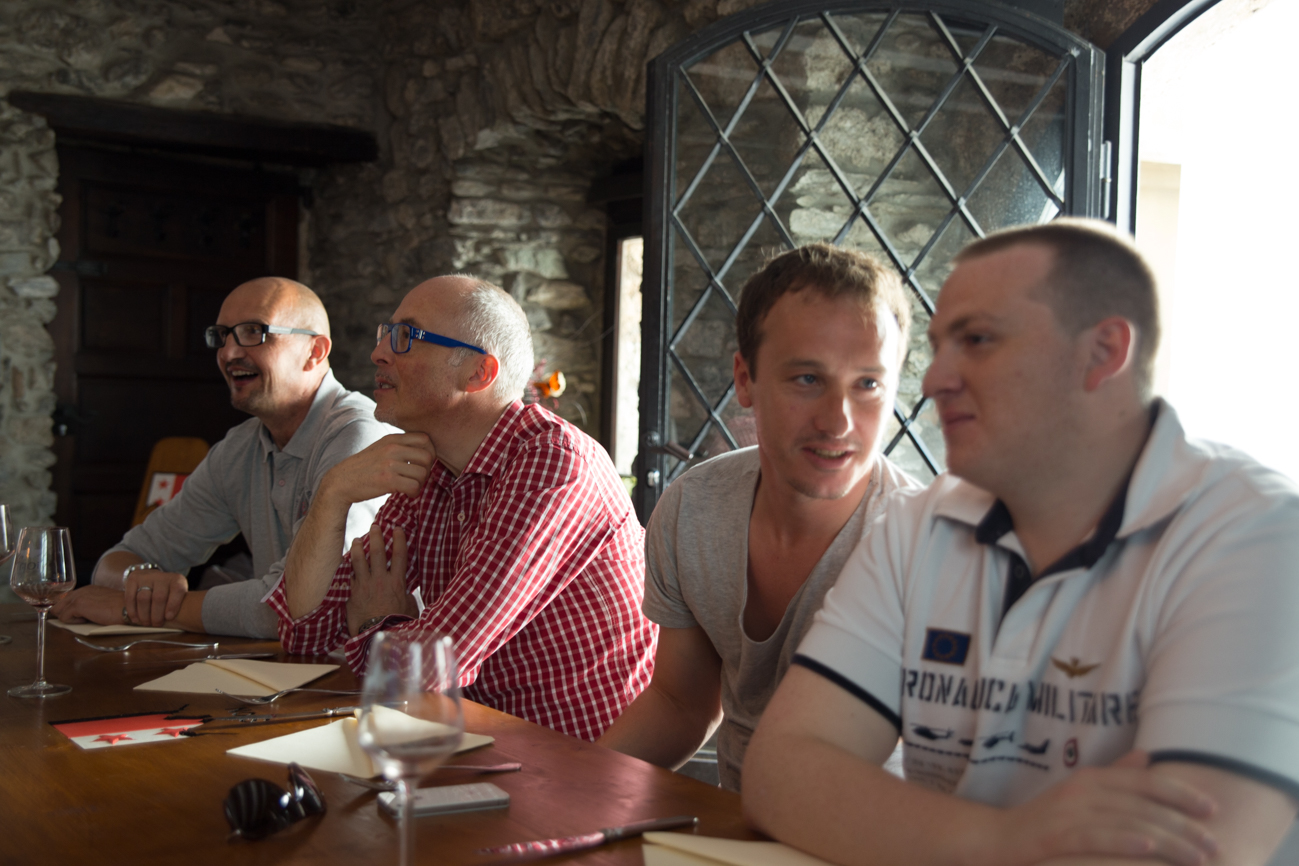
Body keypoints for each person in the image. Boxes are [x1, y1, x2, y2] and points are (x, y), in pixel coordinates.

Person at [744, 219, 1299, 866]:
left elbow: (1189, 852)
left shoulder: (1256, 536)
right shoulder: (916, 525)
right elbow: (778, 775)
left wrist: (911, 832)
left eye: (977, 340)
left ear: (1101, 353)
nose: (932, 381)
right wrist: (1004, 838)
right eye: (939, 347)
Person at [269, 275, 656, 741]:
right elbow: (305, 635)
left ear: (478, 373)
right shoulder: (432, 466)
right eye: (385, 333)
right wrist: (332, 493)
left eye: (406, 336)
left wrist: (373, 624)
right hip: (477, 744)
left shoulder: (553, 462)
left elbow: (432, 664)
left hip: (579, 762)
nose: (378, 353)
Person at [597, 244, 920, 789]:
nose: (838, 421)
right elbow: (680, 704)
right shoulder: (693, 509)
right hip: (733, 824)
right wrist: (576, 788)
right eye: (808, 379)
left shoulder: (924, 542)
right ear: (745, 379)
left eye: (868, 384)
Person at [52, 277, 393, 638]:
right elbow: (118, 559)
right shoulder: (239, 449)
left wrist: (139, 612)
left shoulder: (359, 435)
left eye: (253, 332)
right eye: (222, 335)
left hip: (370, 668)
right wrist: (139, 580)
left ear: (315, 352)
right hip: (283, 664)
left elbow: (302, 607)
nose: (229, 353)